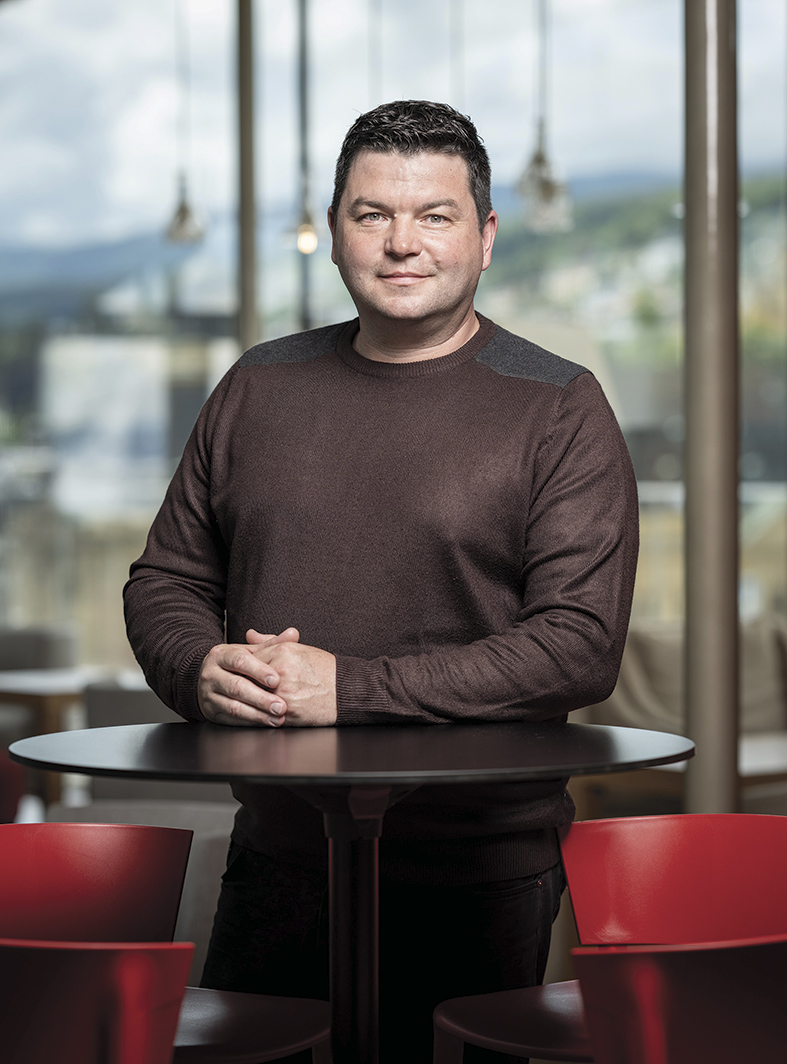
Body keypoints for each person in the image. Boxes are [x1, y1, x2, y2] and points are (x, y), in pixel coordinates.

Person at [124, 99, 638, 1063]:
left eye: (435, 215)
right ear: (334, 232)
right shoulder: (258, 385)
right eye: (373, 215)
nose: (403, 242)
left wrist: (347, 689)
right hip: (277, 853)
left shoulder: (559, 407)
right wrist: (198, 667)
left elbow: (577, 646)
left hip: (478, 864)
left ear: (485, 237)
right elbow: (166, 580)